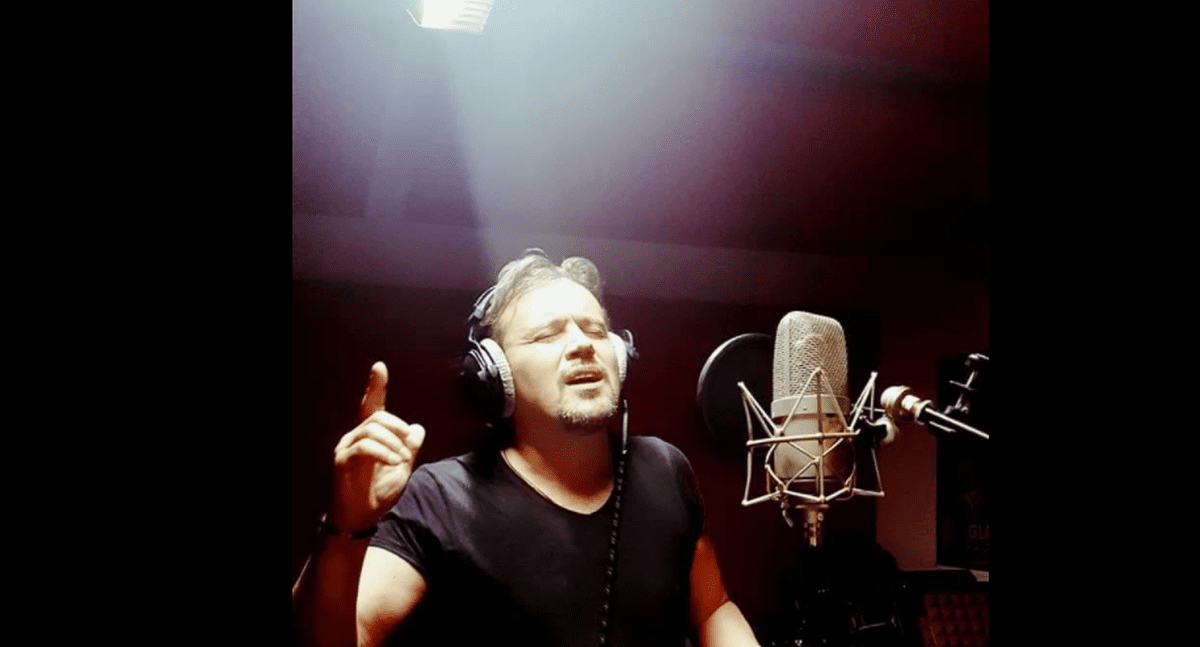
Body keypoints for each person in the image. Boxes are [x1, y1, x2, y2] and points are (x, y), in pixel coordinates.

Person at [293, 251, 760, 647]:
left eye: (596, 331)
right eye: (548, 335)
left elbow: (712, 609)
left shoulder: (665, 468)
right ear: (494, 375)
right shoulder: (438, 498)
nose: (583, 345)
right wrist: (345, 525)